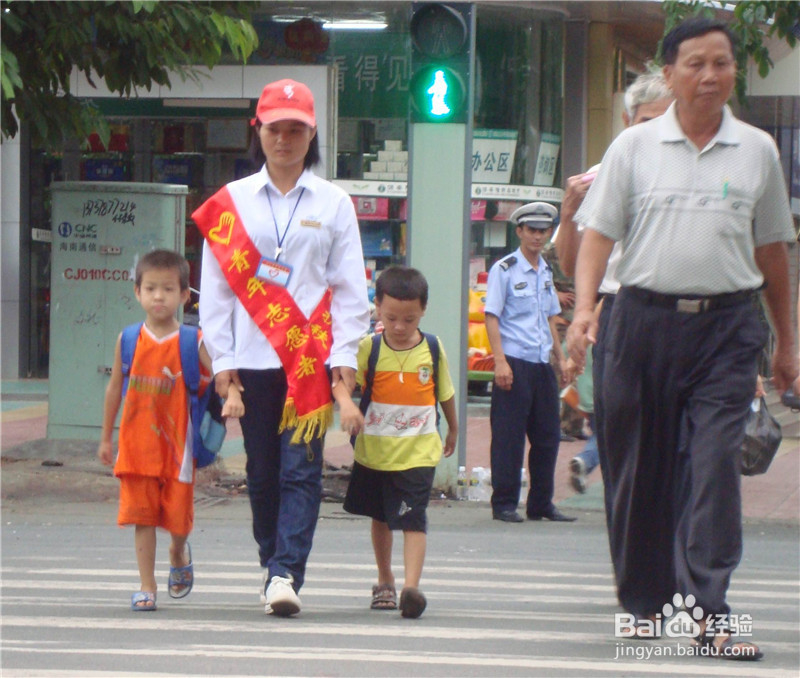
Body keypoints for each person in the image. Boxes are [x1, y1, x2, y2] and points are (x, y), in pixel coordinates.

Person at [567, 17, 797, 660]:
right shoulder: (633, 148)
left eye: (721, 63)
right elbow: (597, 238)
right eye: (695, 64)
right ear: (669, 75)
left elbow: (773, 251)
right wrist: (584, 311)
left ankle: (707, 612)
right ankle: (644, 605)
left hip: (727, 328)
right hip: (639, 324)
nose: (710, 75)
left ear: (734, 72)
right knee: (637, 472)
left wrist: (787, 342)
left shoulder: (757, 151)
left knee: (715, 464)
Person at [194, 79, 370, 617]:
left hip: (310, 362)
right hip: (251, 361)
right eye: (275, 129)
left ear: (312, 134)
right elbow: (216, 295)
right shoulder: (231, 204)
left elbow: (350, 289)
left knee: (301, 472)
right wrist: (223, 365)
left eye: (296, 129)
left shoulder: (334, 203)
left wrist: (344, 361)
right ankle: (272, 561)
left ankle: (285, 573)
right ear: (258, 131)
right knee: (263, 474)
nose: (285, 139)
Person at [98, 249, 245, 611]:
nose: (158, 296)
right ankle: (147, 586)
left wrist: (233, 394)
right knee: (142, 516)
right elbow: (114, 389)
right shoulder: (128, 340)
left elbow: (221, 375)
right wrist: (105, 438)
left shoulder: (193, 341)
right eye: (150, 288)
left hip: (179, 449)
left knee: (179, 520)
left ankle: (177, 551)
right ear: (137, 292)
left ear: (183, 295)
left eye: (167, 289)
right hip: (136, 448)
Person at [555, 71, 673, 510]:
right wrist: (568, 215)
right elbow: (570, 266)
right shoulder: (599, 177)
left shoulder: (689, 175)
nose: (655, 131)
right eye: (645, 120)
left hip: (673, 311)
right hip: (616, 311)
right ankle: (629, 508)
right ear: (627, 121)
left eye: (665, 120)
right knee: (616, 417)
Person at [336, 266, 458, 619]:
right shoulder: (368, 349)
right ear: (376, 307)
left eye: (409, 319)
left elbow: (445, 392)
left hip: (418, 451)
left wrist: (453, 428)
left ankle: (411, 588)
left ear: (423, 310)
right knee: (381, 517)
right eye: (391, 318)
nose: (400, 327)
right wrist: (346, 405)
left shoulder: (432, 349)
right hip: (375, 451)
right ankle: (385, 579)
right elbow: (341, 381)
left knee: (413, 518)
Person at [484, 202, 576, 523]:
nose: (538, 236)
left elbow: (550, 318)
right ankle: (504, 503)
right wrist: (500, 362)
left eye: (543, 231)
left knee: (548, 436)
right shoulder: (504, 269)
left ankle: (541, 504)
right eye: (532, 230)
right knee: (508, 437)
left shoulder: (545, 271)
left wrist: (561, 359)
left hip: (541, 364)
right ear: (519, 231)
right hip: (514, 362)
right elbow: (492, 317)